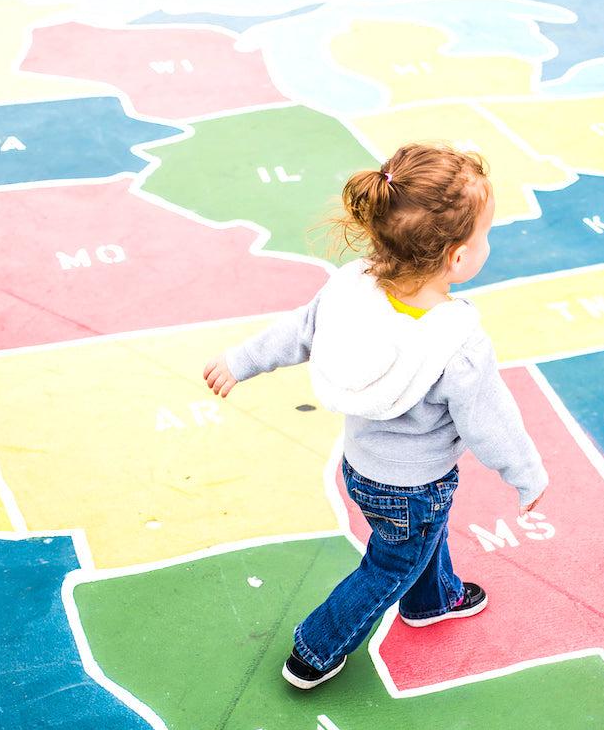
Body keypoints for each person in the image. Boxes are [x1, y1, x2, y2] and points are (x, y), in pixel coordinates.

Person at [202, 142, 548, 690]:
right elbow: (491, 421)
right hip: (415, 484)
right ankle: (316, 648)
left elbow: (298, 330)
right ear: (458, 258)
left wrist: (239, 361)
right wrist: (526, 474)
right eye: (486, 234)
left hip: (360, 468)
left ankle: (433, 601)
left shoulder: (350, 289)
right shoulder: (456, 341)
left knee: (417, 538)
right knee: (392, 564)